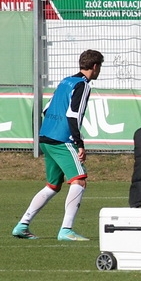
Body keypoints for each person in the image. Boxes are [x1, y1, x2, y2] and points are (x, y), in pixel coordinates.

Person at [12, 49, 104, 241]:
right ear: (95, 67)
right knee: (79, 180)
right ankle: (66, 230)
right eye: (99, 67)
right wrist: (79, 143)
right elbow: (74, 115)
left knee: (53, 185)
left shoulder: (65, 81)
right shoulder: (83, 85)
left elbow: (47, 109)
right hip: (62, 139)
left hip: (45, 136)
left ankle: (22, 225)